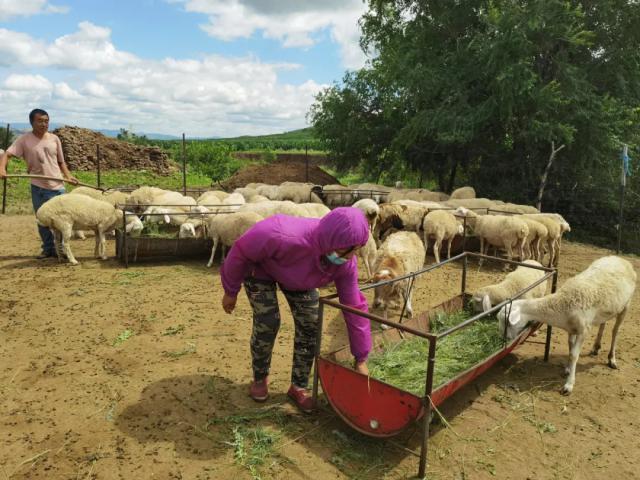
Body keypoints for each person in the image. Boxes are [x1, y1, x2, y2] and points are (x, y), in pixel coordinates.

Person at [220, 207, 372, 413]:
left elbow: (354, 307)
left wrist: (361, 357)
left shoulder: (344, 263)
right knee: (268, 321)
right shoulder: (280, 233)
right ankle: (259, 378)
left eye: (357, 249)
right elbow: (241, 251)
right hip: (262, 270)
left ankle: (298, 385)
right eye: (350, 250)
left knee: (311, 322)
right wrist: (231, 290)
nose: (353, 256)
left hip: (300, 279)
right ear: (332, 242)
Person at [0, 109, 78, 258]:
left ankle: (62, 249)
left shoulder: (54, 139)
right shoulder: (24, 140)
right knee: (42, 219)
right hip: (38, 187)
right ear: (32, 122)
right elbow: (7, 155)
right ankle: (49, 249)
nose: (44, 124)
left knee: (63, 220)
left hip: (58, 187)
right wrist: (2, 169)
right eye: (40, 121)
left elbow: (61, 162)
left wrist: (69, 176)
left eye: (46, 121)